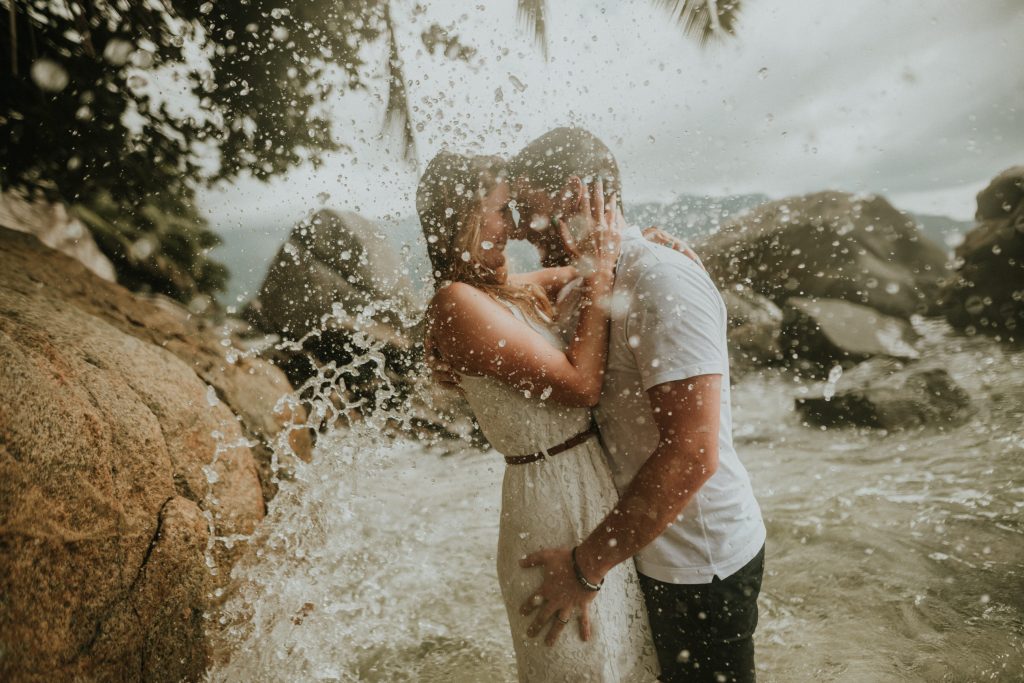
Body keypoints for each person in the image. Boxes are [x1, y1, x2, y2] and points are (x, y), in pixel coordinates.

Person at [509, 128, 766, 683]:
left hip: (701, 560)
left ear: (575, 196)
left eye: (531, 213)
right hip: (639, 546)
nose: (527, 235)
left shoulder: (661, 279)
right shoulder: (590, 282)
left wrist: (586, 566)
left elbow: (693, 454)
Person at [417, 151, 660, 682]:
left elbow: (589, 264)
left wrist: (648, 243)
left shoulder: (503, 291)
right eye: (502, 211)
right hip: (549, 502)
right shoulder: (457, 302)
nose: (517, 226)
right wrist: (599, 274)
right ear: (464, 219)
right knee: (580, 667)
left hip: (585, 488)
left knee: (620, 664)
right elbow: (581, 386)